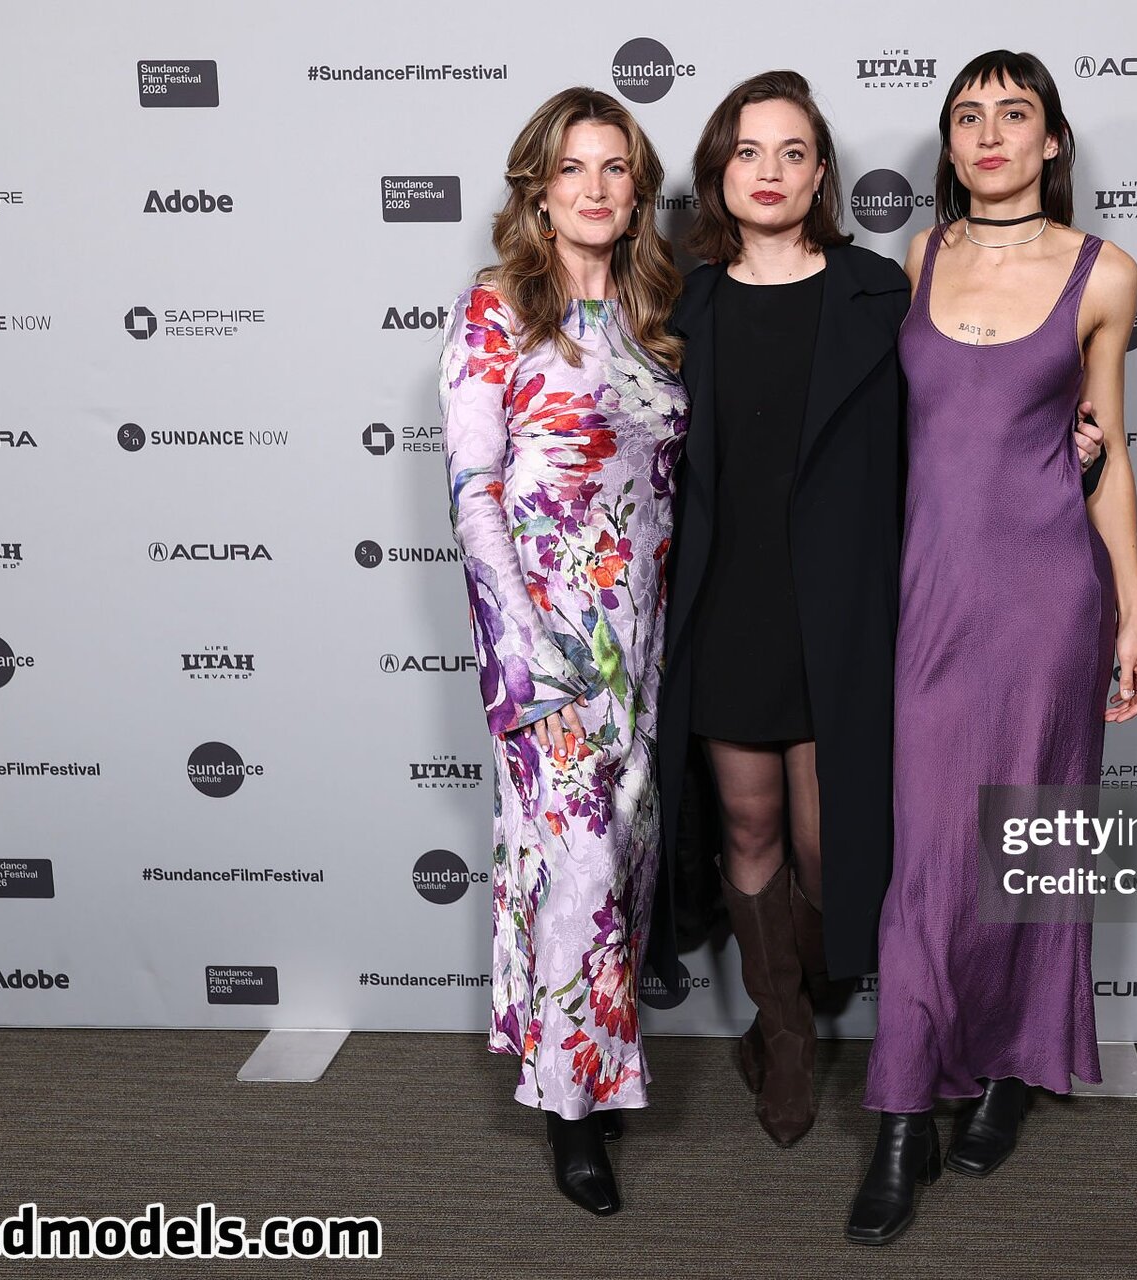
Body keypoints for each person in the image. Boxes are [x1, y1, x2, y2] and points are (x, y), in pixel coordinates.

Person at [845, 50, 1137, 1246]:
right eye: (967, 116)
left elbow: (1109, 449)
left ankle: (1006, 1071)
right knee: (930, 857)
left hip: (1047, 596)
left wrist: (1132, 616)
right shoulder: (916, 259)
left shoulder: (1104, 271)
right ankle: (908, 1106)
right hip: (930, 595)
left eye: (1012, 114)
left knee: (1024, 847)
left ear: (1051, 140)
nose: (989, 134)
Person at [438, 86, 687, 1217]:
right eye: (572, 168)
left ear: (638, 191)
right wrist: (528, 656)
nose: (594, 187)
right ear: (538, 190)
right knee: (575, 866)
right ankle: (571, 1114)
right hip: (544, 640)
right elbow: (474, 491)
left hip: (643, 633)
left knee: (621, 862)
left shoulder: (653, 310)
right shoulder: (497, 308)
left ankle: (585, 1058)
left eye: (615, 168)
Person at [658, 69, 909, 1148]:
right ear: (719, 171)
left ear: (820, 175)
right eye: (747, 151)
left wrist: (1062, 452)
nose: (769, 171)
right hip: (728, 605)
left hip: (840, 609)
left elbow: (951, 429)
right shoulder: (684, 304)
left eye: (792, 152)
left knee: (824, 843)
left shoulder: (877, 293)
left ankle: (795, 994)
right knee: (749, 826)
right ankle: (787, 1035)